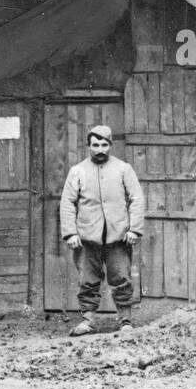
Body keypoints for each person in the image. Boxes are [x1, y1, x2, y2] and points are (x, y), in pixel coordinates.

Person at [59, 125, 145, 336]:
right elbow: (67, 202)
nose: (100, 149)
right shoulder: (77, 171)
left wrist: (134, 229)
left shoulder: (124, 169)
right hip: (87, 237)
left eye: (104, 145)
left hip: (119, 237)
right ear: (89, 146)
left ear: (110, 146)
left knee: (122, 278)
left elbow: (136, 198)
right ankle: (88, 321)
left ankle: (125, 320)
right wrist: (70, 233)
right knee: (87, 280)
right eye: (95, 145)